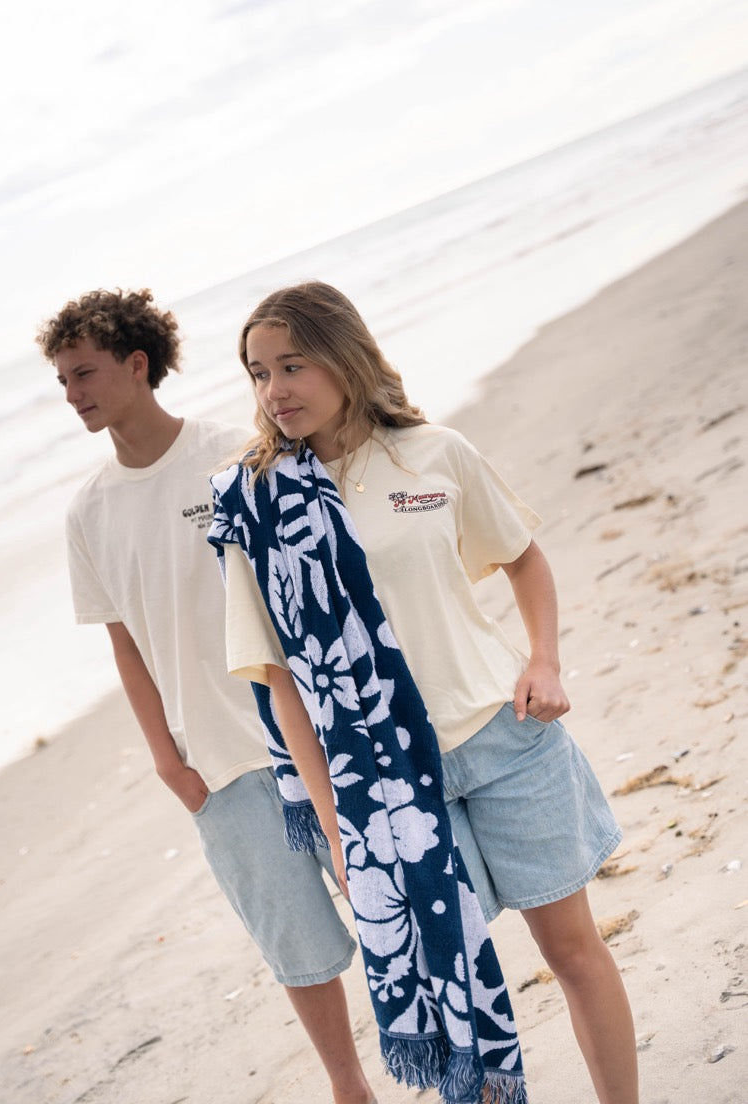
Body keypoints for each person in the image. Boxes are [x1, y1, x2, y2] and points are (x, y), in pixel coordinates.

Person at [208, 281, 639, 1104]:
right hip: (385, 786)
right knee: (450, 1000)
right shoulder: (255, 504)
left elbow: (524, 558)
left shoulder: (434, 453)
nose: (274, 390)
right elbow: (278, 681)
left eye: (291, 365)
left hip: (505, 738)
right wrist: (336, 822)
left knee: (574, 952)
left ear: (344, 357)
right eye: (258, 373)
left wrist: (543, 662)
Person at [34, 287, 379, 1104]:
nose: (74, 394)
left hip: (312, 734)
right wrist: (167, 761)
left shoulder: (237, 451)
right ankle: (349, 1089)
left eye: (84, 373)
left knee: (387, 904)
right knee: (294, 944)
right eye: (62, 382)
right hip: (216, 768)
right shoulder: (88, 510)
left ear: (137, 363)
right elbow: (125, 643)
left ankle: (448, 1052)